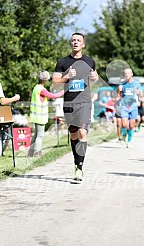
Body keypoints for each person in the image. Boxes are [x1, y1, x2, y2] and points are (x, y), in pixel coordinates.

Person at [52, 32, 98, 181]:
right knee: (73, 135)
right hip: (69, 103)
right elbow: (55, 81)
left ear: (83, 44)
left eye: (78, 40)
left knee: (82, 133)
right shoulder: (63, 62)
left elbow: (94, 77)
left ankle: (79, 167)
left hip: (84, 102)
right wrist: (67, 77)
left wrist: (94, 78)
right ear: (70, 43)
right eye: (73, 40)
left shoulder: (89, 61)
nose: (75, 42)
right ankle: (75, 161)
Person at [28, 70, 64, 157]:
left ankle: (30, 153)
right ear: (45, 80)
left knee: (36, 134)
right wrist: (64, 91)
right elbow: (53, 96)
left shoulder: (36, 88)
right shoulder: (41, 90)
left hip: (36, 116)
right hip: (40, 116)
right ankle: (37, 153)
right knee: (40, 136)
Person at [117, 68, 143, 148]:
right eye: (125, 73)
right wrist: (118, 90)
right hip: (124, 106)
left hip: (133, 106)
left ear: (131, 74)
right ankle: (124, 136)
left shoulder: (136, 84)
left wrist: (138, 92)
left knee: (131, 125)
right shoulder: (122, 83)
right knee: (124, 124)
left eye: (128, 73)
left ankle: (129, 141)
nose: (127, 75)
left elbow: (141, 95)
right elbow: (117, 94)